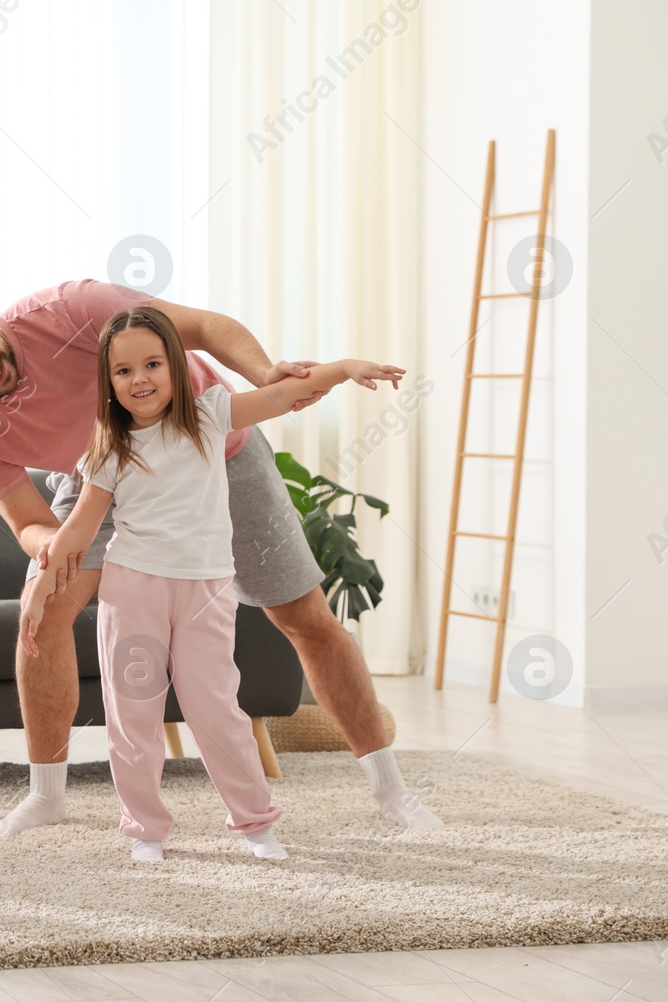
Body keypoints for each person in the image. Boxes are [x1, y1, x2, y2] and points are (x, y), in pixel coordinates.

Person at [0, 281, 444, 836]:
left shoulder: (64, 309)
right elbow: (28, 523)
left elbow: (204, 327)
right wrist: (52, 553)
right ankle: (45, 797)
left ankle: (391, 790)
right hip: (107, 475)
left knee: (305, 618)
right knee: (41, 613)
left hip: (217, 451)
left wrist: (264, 372)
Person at [21, 307, 405, 861]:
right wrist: (38, 589)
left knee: (218, 710)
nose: (140, 379)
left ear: (176, 367)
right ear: (108, 381)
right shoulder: (106, 447)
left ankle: (255, 823)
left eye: (152, 363)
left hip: (205, 590)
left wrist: (344, 368)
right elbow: (77, 529)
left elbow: (282, 396)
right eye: (123, 371)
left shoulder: (210, 414)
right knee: (134, 714)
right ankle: (145, 830)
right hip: (132, 592)